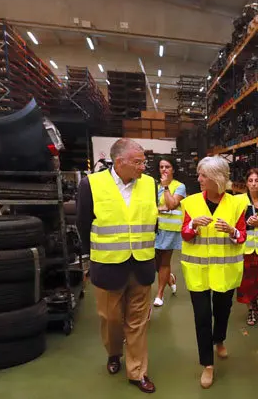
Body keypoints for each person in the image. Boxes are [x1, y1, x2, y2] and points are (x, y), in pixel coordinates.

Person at [76, 138, 158, 394]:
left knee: (138, 322)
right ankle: (114, 353)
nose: (143, 167)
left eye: (144, 162)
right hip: (109, 265)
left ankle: (137, 371)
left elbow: (152, 220)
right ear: (119, 162)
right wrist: (91, 260)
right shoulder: (91, 184)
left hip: (142, 264)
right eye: (138, 162)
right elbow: (83, 224)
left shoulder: (149, 184)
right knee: (111, 319)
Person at [180, 156, 247, 389]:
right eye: (199, 174)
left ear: (216, 179)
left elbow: (241, 238)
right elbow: (185, 235)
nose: (199, 179)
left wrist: (231, 231)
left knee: (222, 311)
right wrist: (193, 225)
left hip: (225, 270)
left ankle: (219, 339)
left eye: (203, 175)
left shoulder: (237, 204)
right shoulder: (190, 203)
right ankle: (207, 365)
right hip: (197, 271)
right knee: (201, 317)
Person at [235, 168, 258, 326]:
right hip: (246, 248)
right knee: (247, 281)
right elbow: (233, 223)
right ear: (246, 183)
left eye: (257, 181)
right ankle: (251, 308)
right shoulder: (239, 200)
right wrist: (246, 223)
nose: (254, 184)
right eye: (250, 181)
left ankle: (254, 301)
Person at [153, 157, 187, 307]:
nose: (164, 169)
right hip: (155, 228)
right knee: (155, 263)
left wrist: (166, 188)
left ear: (173, 169)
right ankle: (170, 279)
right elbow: (152, 207)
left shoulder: (179, 186)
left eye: (167, 166)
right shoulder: (154, 186)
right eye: (161, 167)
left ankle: (159, 294)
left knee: (164, 262)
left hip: (171, 229)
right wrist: (161, 208)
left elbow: (172, 204)